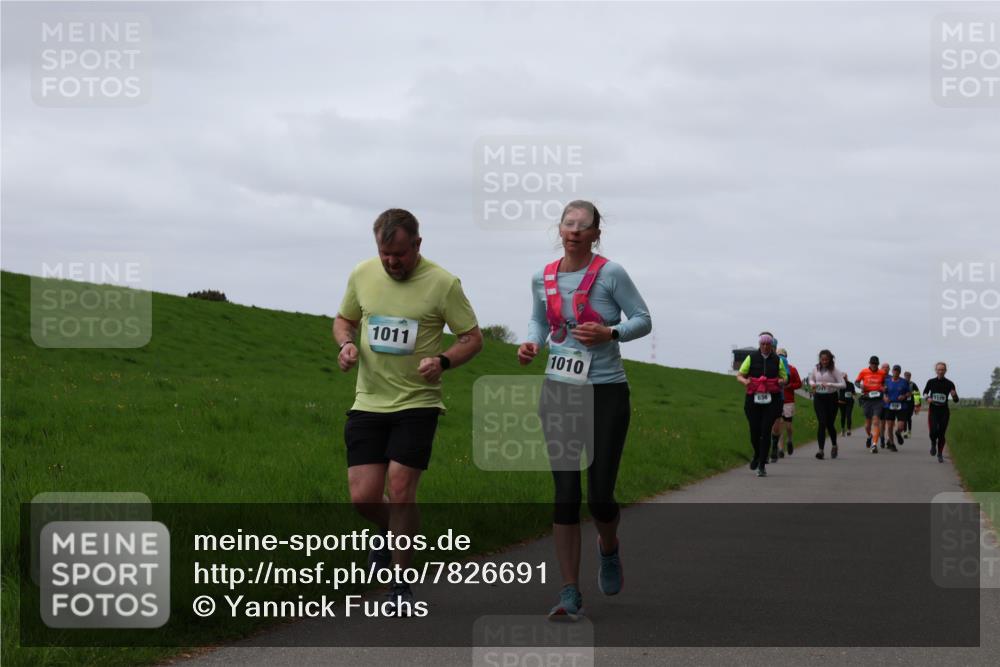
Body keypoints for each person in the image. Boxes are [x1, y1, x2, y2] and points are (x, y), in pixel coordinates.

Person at [334, 208, 483, 614]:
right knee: (363, 498)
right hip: (368, 401)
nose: (391, 262)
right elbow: (344, 319)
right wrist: (346, 344)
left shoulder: (443, 283)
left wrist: (444, 361)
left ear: (417, 245)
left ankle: (399, 584)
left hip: (418, 403)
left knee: (401, 490)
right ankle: (388, 532)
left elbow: (472, 338)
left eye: (399, 254)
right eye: (385, 254)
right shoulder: (362, 274)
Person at [517, 200, 651, 621]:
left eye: (583, 225)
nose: (574, 230)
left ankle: (608, 547)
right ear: (559, 229)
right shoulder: (543, 276)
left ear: (596, 234)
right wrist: (532, 343)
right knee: (564, 495)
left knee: (599, 497)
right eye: (568, 223)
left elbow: (643, 320)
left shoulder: (611, 274)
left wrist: (611, 331)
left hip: (607, 392)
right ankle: (569, 590)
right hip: (559, 391)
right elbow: (539, 321)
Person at [737, 332, 788, 478]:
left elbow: (785, 377)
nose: (765, 346)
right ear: (759, 344)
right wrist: (745, 381)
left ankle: (761, 466)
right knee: (754, 431)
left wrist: (781, 381)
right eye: (762, 344)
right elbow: (740, 374)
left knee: (766, 431)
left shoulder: (777, 360)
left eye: (768, 344)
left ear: (772, 346)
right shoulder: (751, 357)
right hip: (753, 398)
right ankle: (758, 455)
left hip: (772, 400)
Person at [807, 349, 846, 459]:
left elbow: (843, 385)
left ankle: (834, 445)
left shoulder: (834, 370)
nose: (824, 362)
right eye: (822, 359)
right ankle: (821, 450)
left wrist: (829, 384)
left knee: (829, 424)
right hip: (819, 398)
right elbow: (811, 379)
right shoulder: (816, 368)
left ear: (830, 360)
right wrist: (813, 384)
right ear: (819, 359)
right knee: (822, 422)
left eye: (826, 360)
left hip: (831, 398)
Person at [923, 362, 960, 463]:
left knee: (941, 433)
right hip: (933, 410)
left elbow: (956, 400)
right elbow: (925, 392)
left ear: (945, 371)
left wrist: (954, 395)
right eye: (939, 369)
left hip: (944, 411)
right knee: (933, 431)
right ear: (936, 370)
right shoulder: (931, 382)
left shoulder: (950, 383)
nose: (940, 371)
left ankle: (940, 454)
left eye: (942, 369)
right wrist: (928, 398)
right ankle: (933, 443)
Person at [770, 347, 801, 460]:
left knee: (788, 426)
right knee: (779, 424)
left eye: (782, 355)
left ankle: (790, 440)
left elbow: (799, 383)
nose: (780, 357)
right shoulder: (773, 368)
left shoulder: (792, 369)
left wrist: (789, 386)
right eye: (778, 355)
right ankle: (780, 449)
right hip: (777, 399)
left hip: (788, 400)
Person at [855, 356, 887, 453]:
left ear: (878, 364)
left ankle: (874, 445)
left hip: (878, 400)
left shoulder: (882, 373)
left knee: (876, 421)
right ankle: (869, 436)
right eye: (872, 363)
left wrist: (884, 388)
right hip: (867, 399)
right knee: (867, 425)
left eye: (876, 364)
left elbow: (885, 384)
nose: (874, 365)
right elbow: (856, 382)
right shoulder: (863, 371)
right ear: (869, 363)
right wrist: (860, 386)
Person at [882, 365, 910, 451]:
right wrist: (885, 397)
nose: (896, 372)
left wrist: (904, 396)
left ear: (899, 372)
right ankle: (892, 443)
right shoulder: (887, 381)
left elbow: (909, 393)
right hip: (889, 406)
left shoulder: (904, 382)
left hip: (901, 406)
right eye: (894, 370)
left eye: (897, 371)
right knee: (889, 426)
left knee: (901, 426)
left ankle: (898, 433)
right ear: (892, 371)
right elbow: (883, 392)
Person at [837, 371, 855, 437]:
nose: (844, 379)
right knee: (842, 416)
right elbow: (837, 393)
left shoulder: (850, 384)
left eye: (845, 377)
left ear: (846, 377)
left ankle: (849, 430)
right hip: (841, 402)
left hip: (849, 402)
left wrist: (853, 397)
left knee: (848, 415)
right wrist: (837, 400)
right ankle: (842, 430)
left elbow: (853, 393)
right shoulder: (839, 385)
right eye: (842, 378)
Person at [903, 370, 919, 438]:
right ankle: (904, 432)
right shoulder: (901, 383)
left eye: (909, 376)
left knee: (909, 418)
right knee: (904, 418)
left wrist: (916, 405)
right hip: (903, 403)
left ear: (910, 377)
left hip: (911, 403)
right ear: (904, 376)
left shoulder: (913, 384)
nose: (907, 377)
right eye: (906, 376)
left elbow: (917, 395)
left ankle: (909, 431)